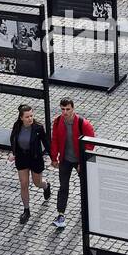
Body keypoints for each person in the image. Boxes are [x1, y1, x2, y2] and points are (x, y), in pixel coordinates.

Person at [50, 98, 95, 230]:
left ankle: (86, 209)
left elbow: (90, 144)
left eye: (68, 109)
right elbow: (55, 140)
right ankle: (61, 215)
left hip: (79, 160)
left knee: (84, 186)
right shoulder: (58, 122)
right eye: (63, 109)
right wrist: (54, 158)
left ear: (73, 108)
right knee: (63, 187)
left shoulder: (83, 124)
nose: (65, 112)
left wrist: (82, 161)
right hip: (65, 159)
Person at [9, 104, 50, 224]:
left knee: (37, 183)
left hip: (35, 158)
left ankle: (46, 186)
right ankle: (26, 210)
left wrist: (53, 158)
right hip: (22, 157)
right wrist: (13, 153)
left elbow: (46, 143)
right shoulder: (17, 126)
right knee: (24, 184)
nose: (30, 118)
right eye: (27, 116)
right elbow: (13, 139)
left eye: (31, 116)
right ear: (21, 117)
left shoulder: (38, 127)